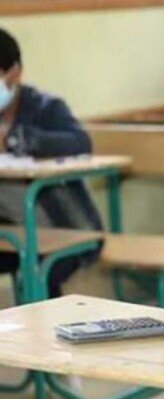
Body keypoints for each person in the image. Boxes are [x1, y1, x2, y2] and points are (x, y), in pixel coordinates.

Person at [0, 28, 102, 299]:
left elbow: (80, 143)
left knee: (41, 273)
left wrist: (14, 139)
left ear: (14, 73)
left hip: (66, 228)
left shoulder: (45, 108)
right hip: (12, 232)